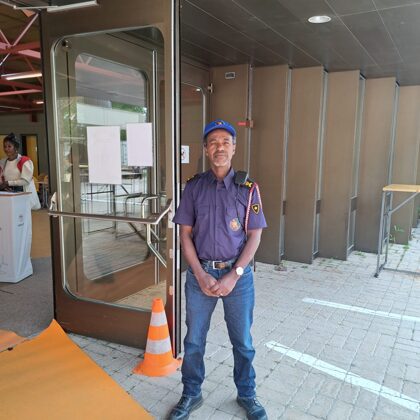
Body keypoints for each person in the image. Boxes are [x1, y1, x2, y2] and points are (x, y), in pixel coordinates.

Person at [170, 119, 268, 420]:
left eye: (226, 141)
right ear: (205, 149)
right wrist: (200, 275)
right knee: (194, 340)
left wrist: (234, 275)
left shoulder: (248, 189)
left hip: (238, 278)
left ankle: (247, 394)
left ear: (234, 148)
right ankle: (191, 393)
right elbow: (185, 234)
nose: (220, 147)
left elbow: (255, 235)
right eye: (213, 142)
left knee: (243, 341)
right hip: (200, 275)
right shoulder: (194, 187)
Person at [0, 133, 40, 210]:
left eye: (9, 146)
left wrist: (8, 183)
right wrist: (5, 185)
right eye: (5, 146)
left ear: (15, 148)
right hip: (9, 197)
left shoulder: (25, 161)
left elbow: (25, 181)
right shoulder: (3, 162)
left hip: (23, 196)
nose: (6, 149)